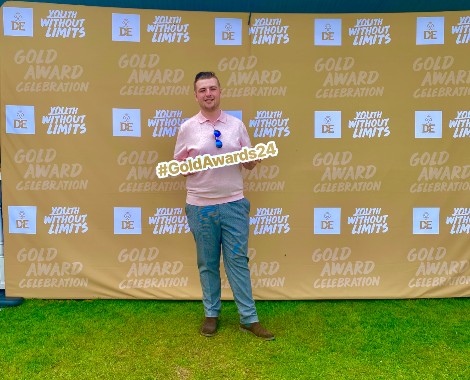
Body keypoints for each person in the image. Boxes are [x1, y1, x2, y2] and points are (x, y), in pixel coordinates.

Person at [173, 72, 274, 340]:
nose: (208, 93)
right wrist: (188, 166)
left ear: (220, 92)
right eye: (202, 89)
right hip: (200, 206)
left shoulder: (236, 125)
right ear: (195, 95)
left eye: (213, 88)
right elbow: (179, 166)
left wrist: (253, 160)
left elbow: (248, 161)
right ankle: (211, 315)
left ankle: (249, 318)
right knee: (207, 263)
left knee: (238, 261)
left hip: (233, 204)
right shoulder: (187, 128)